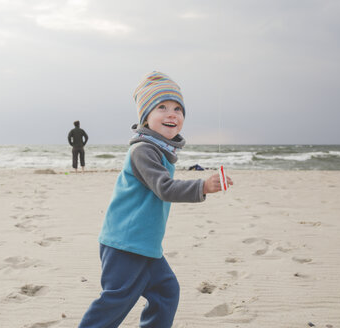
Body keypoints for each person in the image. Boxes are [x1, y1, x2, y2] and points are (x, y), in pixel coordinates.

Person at [78, 71, 233, 328]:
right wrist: (203, 186)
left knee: (166, 292)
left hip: (145, 245)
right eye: (161, 107)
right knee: (115, 302)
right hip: (125, 244)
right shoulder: (143, 150)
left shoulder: (161, 151)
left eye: (177, 109)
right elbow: (165, 188)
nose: (172, 114)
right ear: (146, 117)